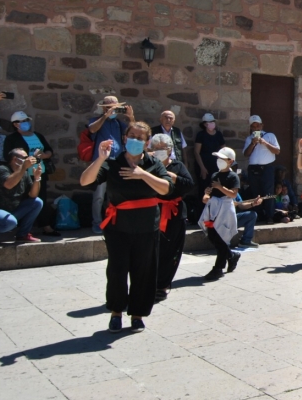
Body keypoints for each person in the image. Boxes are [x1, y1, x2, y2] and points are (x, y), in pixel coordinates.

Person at [80, 121, 172, 333]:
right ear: (124, 138)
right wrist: (100, 158)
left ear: (147, 142)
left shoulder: (153, 164)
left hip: (147, 227)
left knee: (144, 272)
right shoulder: (113, 163)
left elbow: (166, 188)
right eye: (132, 135)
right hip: (118, 227)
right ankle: (116, 312)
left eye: (140, 138)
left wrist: (143, 175)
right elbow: (85, 181)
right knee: (117, 271)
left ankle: (138, 314)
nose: (136, 140)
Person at [150, 134, 195, 301]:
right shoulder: (148, 166)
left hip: (174, 212)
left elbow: (189, 185)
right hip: (153, 211)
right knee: (152, 249)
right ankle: (150, 282)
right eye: (156, 148)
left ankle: (163, 284)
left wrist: (173, 176)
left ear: (170, 150)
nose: (160, 151)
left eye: (163, 148)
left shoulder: (178, 166)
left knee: (171, 249)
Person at [4, 111, 60, 236]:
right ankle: (23, 229)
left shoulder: (38, 135)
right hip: (23, 175)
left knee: (41, 199)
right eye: (22, 121)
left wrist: (45, 155)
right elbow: (8, 156)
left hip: (39, 173)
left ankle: (45, 226)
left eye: (26, 120)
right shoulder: (12, 139)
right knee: (24, 201)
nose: (25, 123)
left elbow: (49, 150)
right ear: (15, 124)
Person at [87, 96, 134, 233]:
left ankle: (113, 221)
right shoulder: (97, 120)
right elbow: (92, 130)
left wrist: (131, 117)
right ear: (104, 108)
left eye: (116, 107)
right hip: (101, 163)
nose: (114, 111)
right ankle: (97, 222)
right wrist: (105, 116)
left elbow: (134, 131)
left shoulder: (119, 123)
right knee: (99, 195)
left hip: (116, 163)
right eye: (110, 107)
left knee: (115, 194)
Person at [199, 147, 242, 280]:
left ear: (230, 161)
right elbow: (209, 194)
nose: (219, 161)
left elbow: (233, 194)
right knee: (212, 235)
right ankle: (231, 255)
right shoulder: (215, 175)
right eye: (218, 158)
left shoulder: (233, 176)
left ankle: (218, 268)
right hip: (213, 208)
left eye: (222, 159)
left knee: (222, 236)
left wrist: (220, 187)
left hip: (225, 208)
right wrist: (206, 195)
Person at [0, 148, 44, 243]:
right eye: (25, 157)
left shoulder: (24, 173)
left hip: (12, 211)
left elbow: (33, 195)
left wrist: (37, 179)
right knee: (11, 222)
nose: (28, 159)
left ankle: (23, 234)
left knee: (37, 202)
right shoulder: (1, 169)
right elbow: (8, 185)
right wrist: (23, 167)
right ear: (15, 159)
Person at [243, 115, 280, 223]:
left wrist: (264, 142)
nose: (256, 128)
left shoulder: (270, 136)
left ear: (261, 125)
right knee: (256, 192)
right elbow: (246, 154)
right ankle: (258, 215)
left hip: (267, 168)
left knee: (268, 192)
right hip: (254, 168)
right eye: (253, 127)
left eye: (257, 125)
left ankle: (269, 216)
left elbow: (277, 151)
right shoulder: (249, 139)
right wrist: (253, 143)